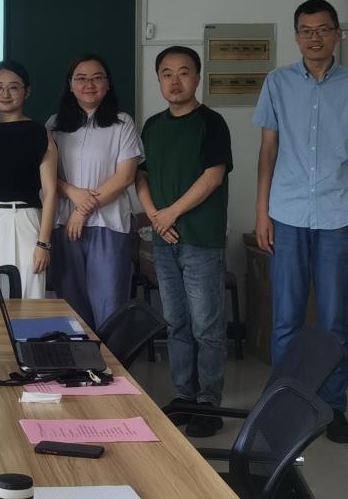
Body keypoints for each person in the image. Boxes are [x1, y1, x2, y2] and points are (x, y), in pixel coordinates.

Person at [254, 0, 348, 444]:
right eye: (306, 30)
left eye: (323, 29)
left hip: (336, 216)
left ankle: (333, 407)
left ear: (337, 34)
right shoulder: (277, 82)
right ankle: (283, 406)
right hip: (287, 214)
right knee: (285, 318)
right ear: (296, 37)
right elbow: (267, 151)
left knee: (334, 320)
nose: (315, 38)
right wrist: (262, 213)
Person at [135, 46, 233, 438]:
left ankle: (209, 402)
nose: (175, 81)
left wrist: (170, 213)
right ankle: (184, 396)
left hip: (201, 239)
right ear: (159, 79)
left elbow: (213, 176)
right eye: (167, 73)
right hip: (165, 240)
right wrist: (154, 215)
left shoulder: (212, 122)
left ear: (197, 77)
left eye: (183, 72)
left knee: (206, 326)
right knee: (176, 323)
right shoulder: (152, 126)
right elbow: (141, 176)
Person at [48, 54, 142, 331]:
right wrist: (71, 192)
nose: (89, 84)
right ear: (70, 85)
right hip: (64, 225)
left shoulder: (122, 123)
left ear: (108, 84)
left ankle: (111, 361)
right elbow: (46, 175)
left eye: (97, 78)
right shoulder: (54, 124)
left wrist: (82, 210)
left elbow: (125, 176)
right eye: (81, 78)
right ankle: (80, 360)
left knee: (110, 308)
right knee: (72, 310)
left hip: (108, 225)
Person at [0, 60, 57, 298]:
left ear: (26, 91)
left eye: (14, 87)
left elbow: (50, 192)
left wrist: (43, 243)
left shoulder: (39, 132)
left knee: (28, 296)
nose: (5, 94)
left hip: (25, 221)